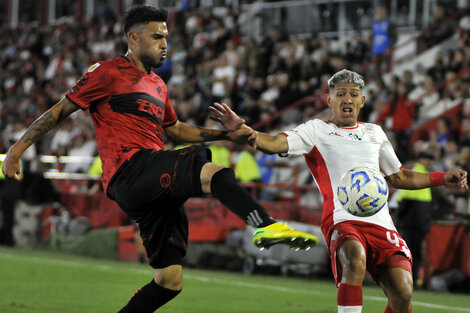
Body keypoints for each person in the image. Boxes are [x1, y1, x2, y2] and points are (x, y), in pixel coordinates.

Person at [1, 6, 318, 313]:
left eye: (166, 37)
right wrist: (17, 150)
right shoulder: (107, 73)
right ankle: (264, 225)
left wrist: (227, 136)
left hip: (150, 179)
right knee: (215, 173)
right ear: (134, 39)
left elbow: (176, 131)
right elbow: (58, 111)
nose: (165, 44)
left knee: (169, 281)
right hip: (130, 170)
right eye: (156, 37)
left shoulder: (158, 85)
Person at [210, 69, 468, 313]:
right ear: (329, 99)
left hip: (381, 225)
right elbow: (278, 142)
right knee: (354, 259)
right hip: (342, 221)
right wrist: (249, 134)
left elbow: (399, 176)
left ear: (362, 100)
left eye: (354, 94)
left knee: (403, 292)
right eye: (341, 93)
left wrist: (443, 178)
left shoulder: (375, 133)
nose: (348, 99)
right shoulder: (316, 130)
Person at [396, 151, 435, 288]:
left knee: (411, 253)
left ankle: (410, 280)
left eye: (431, 160)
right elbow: (405, 200)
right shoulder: (418, 174)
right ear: (421, 160)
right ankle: (410, 280)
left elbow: (403, 201)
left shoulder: (421, 173)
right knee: (412, 253)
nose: (430, 163)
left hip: (414, 223)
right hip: (413, 223)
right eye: (427, 159)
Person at [371, 5, 396, 75]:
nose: (380, 14)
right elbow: (373, 35)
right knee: (377, 70)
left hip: (386, 50)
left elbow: (395, 37)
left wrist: (390, 47)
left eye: (382, 13)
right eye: (379, 13)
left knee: (388, 70)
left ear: (385, 13)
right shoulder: (375, 23)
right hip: (376, 50)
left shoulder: (389, 23)